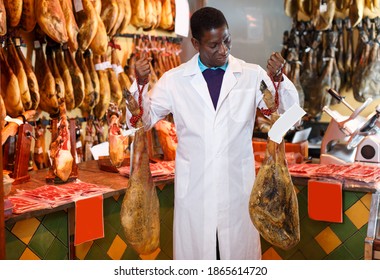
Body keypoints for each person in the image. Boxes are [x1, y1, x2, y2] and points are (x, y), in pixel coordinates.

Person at [128, 6, 299, 260]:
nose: (224, 50)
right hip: (195, 195)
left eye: (226, 40)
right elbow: (140, 122)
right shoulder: (175, 80)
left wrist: (279, 80)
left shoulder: (251, 75)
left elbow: (290, 117)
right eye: (214, 45)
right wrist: (140, 85)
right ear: (196, 43)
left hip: (238, 194)